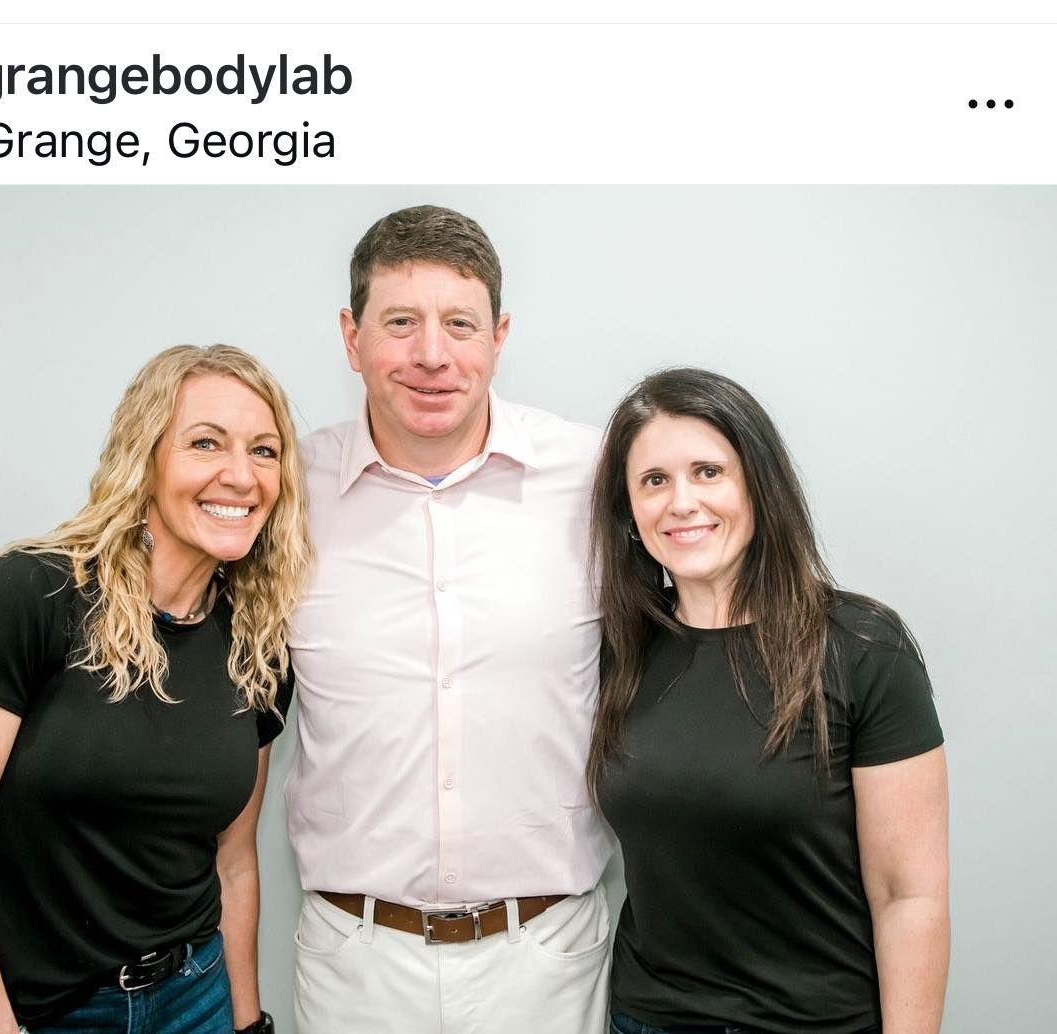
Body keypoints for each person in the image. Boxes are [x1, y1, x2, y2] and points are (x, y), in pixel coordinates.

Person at [0, 344, 311, 1034]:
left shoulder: (257, 643)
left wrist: (244, 1024)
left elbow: (232, 861)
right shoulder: (34, 595)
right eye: (206, 443)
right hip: (40, 1014)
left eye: (265, 452)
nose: (241, 475)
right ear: (144, 458)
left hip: (194, 999)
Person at [286, 205, 614, 1034]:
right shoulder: (281, 490)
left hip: (549, 957)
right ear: (351, 337)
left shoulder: (600, 476)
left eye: (459, 324)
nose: (432, 355)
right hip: (354, 962)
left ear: (498, 337)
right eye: (400, 322)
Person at [589, 367, 949, 1034]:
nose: (681, 503)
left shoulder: (863, 647)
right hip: (648, 1021)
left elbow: (910, 896)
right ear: (630, 514)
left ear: (758, 484)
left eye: (707, 471)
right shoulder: (620, 652)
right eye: (654, 481)